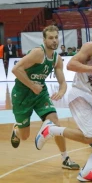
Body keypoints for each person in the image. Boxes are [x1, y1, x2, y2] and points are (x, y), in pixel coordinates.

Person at [34, 20, 92, 182]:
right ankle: (50, 130)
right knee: (90, 137)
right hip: (79, 93)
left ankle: (88, 170)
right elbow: (71, 64)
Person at [10, 25, 80, 170]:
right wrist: (32, 85)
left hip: (40, 94)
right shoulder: (37, 53)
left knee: (55, 122)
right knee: (24, 136)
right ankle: (17, 129)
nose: (54, 41)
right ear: (44, 40)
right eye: (51, 38)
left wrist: (61, 90)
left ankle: (65, 158)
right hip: (22, 94)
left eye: (56, 37)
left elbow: (62, 81)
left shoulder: (57, 58)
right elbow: (16, 69)